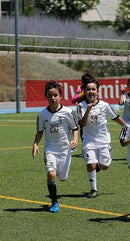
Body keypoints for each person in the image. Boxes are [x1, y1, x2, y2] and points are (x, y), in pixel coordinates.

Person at [32, 80, 79, 213]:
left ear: (60, 96)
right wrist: (35, 143)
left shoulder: (68, 112)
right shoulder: (42, 115)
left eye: (55, 95)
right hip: (50, 149)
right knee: (51, 174)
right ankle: (54, 202)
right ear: (46, 97)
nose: (53, 98)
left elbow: (75, 128)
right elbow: (40, 132)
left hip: (65, 148)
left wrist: (75, 140)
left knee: (62, 178)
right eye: (50, 95)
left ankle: (55, 193)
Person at [76, 76, 126, 198]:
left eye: (93, 89)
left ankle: (98, 166)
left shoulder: (104, 105)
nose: (91, 92)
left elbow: (115, 118)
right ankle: (93, 189)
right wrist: (88, 110)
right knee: (90, 164)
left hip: (103, 140)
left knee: (105, 166)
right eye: (88, 89)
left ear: (98, 92)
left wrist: (128, 127)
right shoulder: (80, 106)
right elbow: (82, 124)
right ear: (84, 92)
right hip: (88, 140)